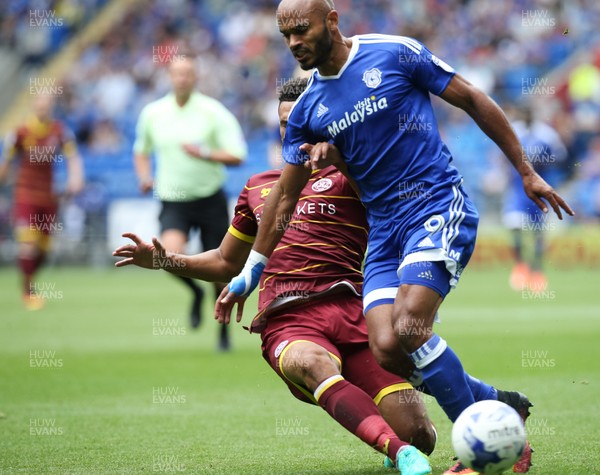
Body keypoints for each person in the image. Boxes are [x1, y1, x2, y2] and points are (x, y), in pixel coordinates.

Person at [217, 1, 574, 473]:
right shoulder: (306, 112)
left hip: (434, 205)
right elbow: (284, 197)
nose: (294, 43)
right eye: (285, 36)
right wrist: (251, 271)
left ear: (331, 21)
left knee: (410, 323)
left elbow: (470, 97)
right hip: (384, 231)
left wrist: (526, 173)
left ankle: (480, 448)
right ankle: (495, 404)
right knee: (386, 345)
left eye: (301, 30)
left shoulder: (394, 53)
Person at [116, 77, 437, 474]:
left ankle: (404, 443)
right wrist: (166, 261)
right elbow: (226, 261)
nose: (293, 130)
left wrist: (342, 157)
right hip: (289, 317)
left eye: (303, 119)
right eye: (286, 123)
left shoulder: (355, 174)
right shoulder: (258, 187)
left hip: (354, 312)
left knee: (421, 435)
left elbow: (398, 211)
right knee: (312, 362)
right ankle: (395, 451)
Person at [133, 55, 247, 349]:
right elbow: (141, 150)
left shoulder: (213, 112)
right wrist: (145, 176)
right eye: (177, 73)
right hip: (174, 200)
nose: (182, 78)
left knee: (223, 270)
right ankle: (195, 293)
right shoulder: (153, 113)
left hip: (210, 198)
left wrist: (205, 153)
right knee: (166, 256)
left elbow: (237, 155)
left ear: (195, 77)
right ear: (169, 77)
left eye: (188, 74)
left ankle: (223, 333)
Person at [0, 93, 84, 310]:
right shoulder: (20, 132)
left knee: (43, 249)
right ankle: (28, 292)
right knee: (28, 244)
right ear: (33, 106)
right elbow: (6, 162)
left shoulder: (59, 131)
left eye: (47, 105)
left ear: (51, 106)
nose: (43, 108)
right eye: (40, 104)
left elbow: (73, 157)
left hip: (48, 197)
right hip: (25, 195)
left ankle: (30, 282)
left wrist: (76, 178)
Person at [503, 107, 567, 292]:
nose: (527, 115)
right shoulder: (514, 130)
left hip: (539, 190)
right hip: (517, 190)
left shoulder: (547, 135)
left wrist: (546, 166)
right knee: (514, 226)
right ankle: (520, 266)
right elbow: (502, 153)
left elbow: (560, 157)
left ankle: (537, 271)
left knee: (538, 232)